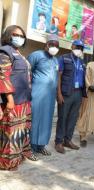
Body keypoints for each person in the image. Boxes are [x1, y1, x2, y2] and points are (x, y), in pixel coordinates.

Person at [0, 25, 37, 170]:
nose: (19, 38)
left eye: (22, 36)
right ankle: (7, 163)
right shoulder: (4, 52)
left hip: (24, 100)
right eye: (16, 35)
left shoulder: (19, 53)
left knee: (21, 131)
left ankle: (18, 157)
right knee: (10, 133)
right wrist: (9, 99)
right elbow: (3, 76)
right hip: (13, 102)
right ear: (8, 35)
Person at [28, 34, 60, 156]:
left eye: (56, 46)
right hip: (37, 94)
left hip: (50, 97)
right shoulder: (36, 55)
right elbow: (27, 72)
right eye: (51, 44)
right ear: (46, 45)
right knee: (35, 120)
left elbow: (56, 77)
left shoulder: (55, 60)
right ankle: (29, 148)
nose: (54, 47)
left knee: (46, 121)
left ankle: (41, 146)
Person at [55, 40, 86, 154]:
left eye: (81, 48)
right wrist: (58, 93)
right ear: (72, 46)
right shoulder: (64, 58)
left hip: (78, 93)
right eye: (78, 47)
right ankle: (58, 142)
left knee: (72, 119)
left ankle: (67, 140)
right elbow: (58, 76)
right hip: (66, 93)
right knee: (62, 118)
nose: (79, 50)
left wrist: (82, 95)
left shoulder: (82, 62)